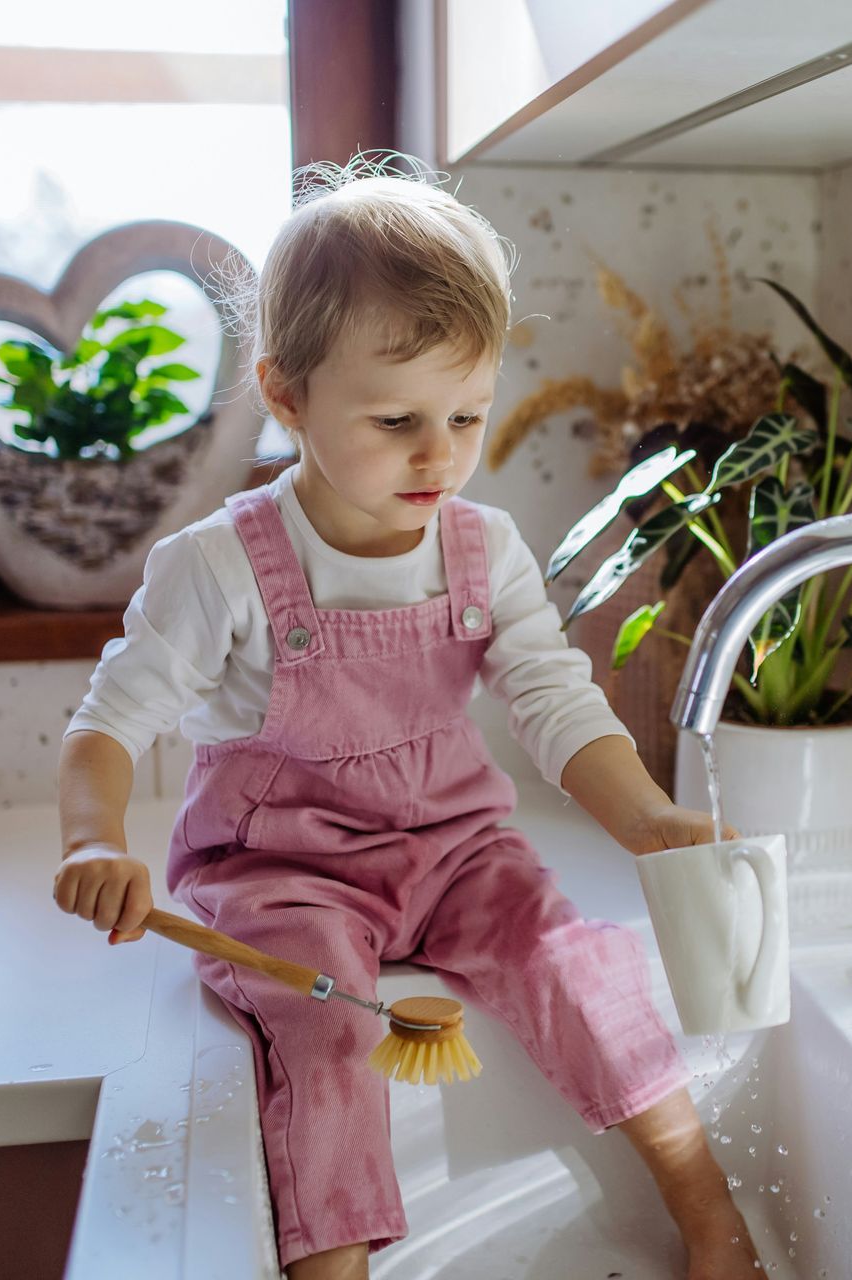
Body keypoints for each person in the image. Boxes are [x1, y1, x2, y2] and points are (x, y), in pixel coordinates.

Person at [51, 153, 763, 1280]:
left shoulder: (485, 549)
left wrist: (645, 816)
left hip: (454, 850)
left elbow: (551, 694)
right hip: (281, 873)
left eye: (468, 413)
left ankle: (710, 1211)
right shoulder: (219, 564)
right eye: (396, 419)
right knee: (333, 1034)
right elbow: (108, 722)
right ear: (285, 393)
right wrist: (95, 839)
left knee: (582, 961)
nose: (440, 453)